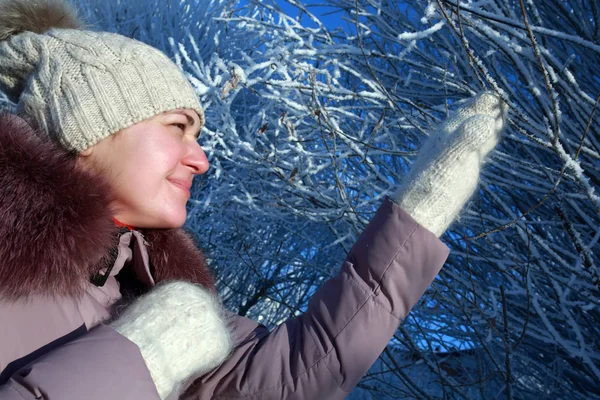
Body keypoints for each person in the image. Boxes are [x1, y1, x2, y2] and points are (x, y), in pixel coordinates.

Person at [0, 1, 506, 399]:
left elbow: (302, 373)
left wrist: (421, 211)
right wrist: (140, 357)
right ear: (87, 128)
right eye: (177, 127)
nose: (200, 159)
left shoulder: (146, 290)